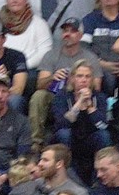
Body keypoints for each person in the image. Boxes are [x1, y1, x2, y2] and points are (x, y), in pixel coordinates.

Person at [31, 18, 102, 152]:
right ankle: (36, 142)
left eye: (73, 31)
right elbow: (39, 85)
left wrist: (77, 83)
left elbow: (96, 87)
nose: (67, 34)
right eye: (65, 31)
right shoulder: (51, 55)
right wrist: (52, 77)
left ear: (80, 35)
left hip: (80, 98)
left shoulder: (90, 57)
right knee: (39, 95)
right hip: (57, 98)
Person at [51, 60, 110, 185]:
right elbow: (62, 124)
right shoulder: (62, 96)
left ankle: (98, 180)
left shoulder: (99, 97)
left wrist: (90, 108)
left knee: (104, 135)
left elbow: (103, 125)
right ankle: (70, 178)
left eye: (87, 76)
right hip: (70, 139)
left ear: (92, 79)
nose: (84, 80)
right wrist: (78, 104)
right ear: (72, 78)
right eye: (79, 76)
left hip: (90, 139)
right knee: (63, 133)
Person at [81, 0, 119, 97]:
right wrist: (102, 64)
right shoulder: (90, 20)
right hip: (98, 68)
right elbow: (84, 48)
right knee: (108, 79)